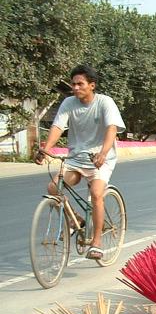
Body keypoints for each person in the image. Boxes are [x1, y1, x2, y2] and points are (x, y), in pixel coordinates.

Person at [36, 64, 125, 261]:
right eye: (73, 84)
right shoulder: (69, 103)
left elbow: (111, 128)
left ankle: (96, 243)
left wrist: (103, 153)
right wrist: (47, 149)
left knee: (95, 193)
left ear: (92, 85)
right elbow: (58, 126)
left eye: (80, 84)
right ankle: (76, 219)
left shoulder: (104, 102)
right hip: (76, 158)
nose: (76, 88)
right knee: (53, 188)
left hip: (101, 159)